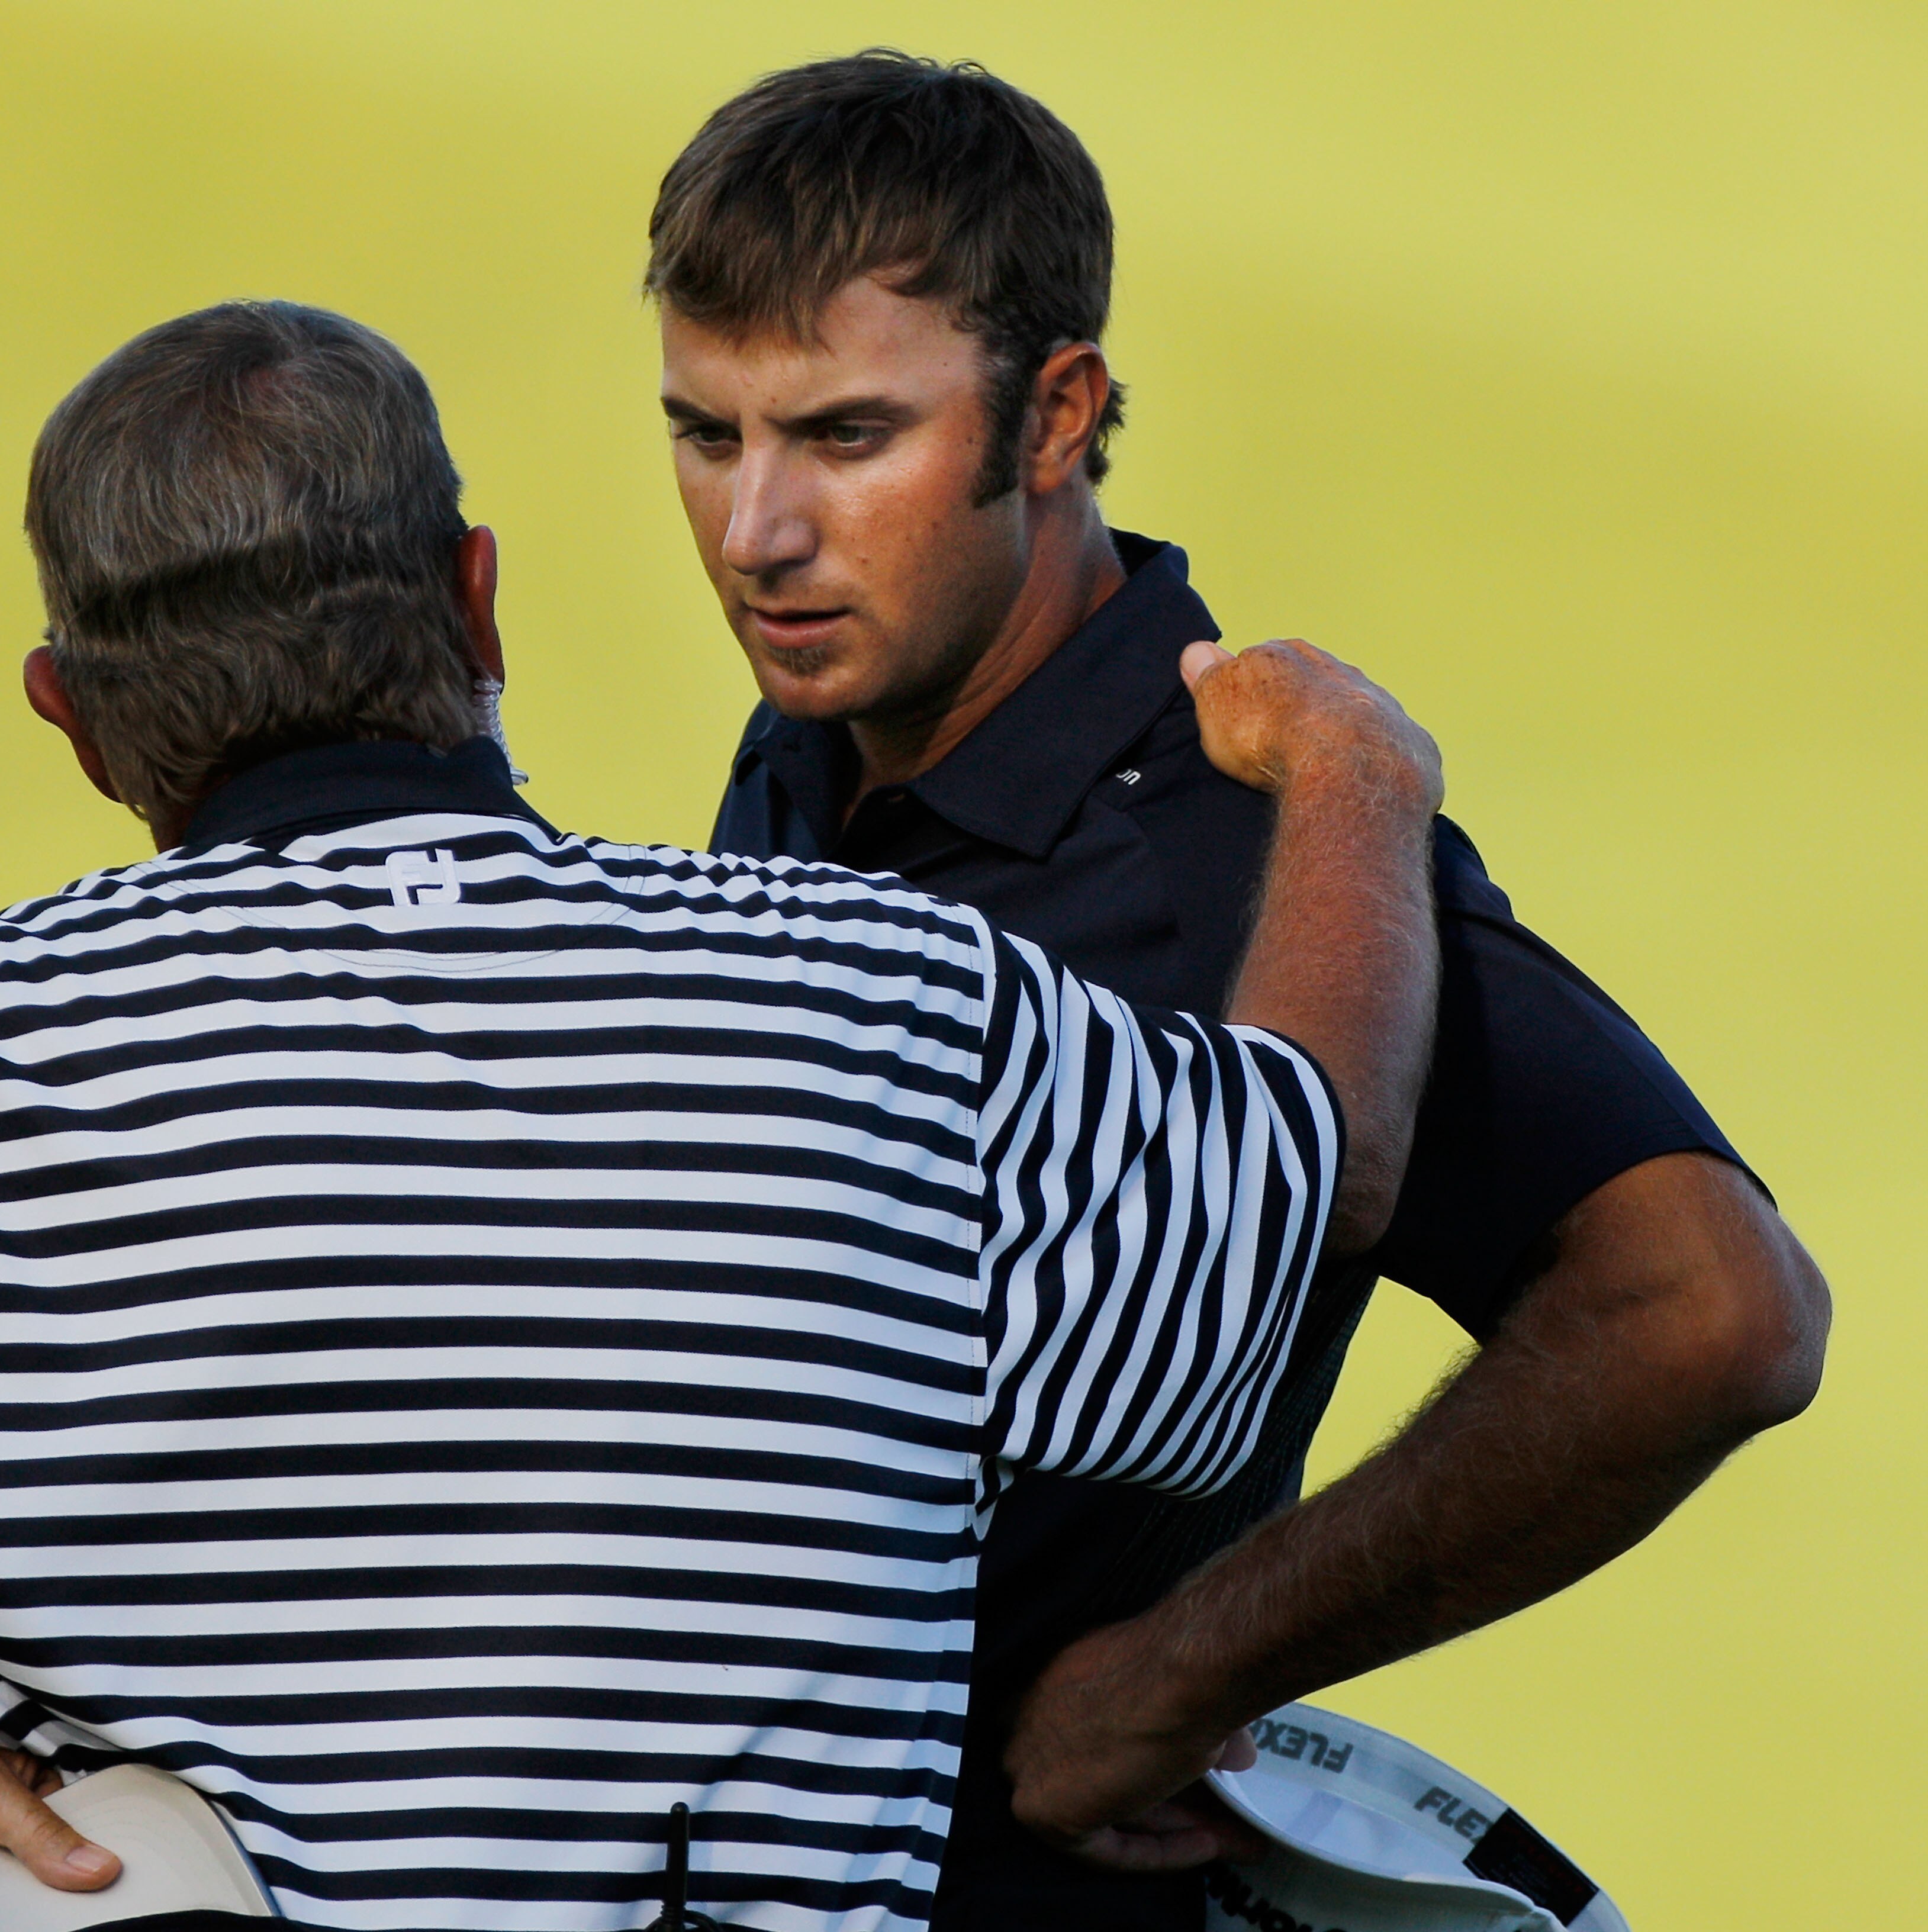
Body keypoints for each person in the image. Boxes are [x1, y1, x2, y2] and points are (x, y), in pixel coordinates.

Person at [0, 300, 1447, 1932]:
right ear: (475, 597)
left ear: (78, 719)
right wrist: (1353, 779)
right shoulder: (885, 1003)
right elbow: (1303, 1186)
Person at [645, 51, 1833, 1931]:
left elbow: (1707, 1311)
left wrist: (1184, 1667)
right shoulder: (826, 730)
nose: (752, 535)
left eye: (847, 437)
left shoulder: (1242, 843)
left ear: (1057, 417)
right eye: (707, 435)